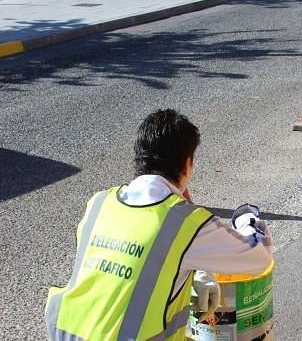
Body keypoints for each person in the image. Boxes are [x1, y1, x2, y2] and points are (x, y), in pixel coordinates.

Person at [44, 109, 273, 340]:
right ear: (187, 164)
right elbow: (259, 258)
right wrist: (246, 218)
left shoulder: (99, 203)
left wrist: (193, 273)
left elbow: (126, 268)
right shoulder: (185, 221)